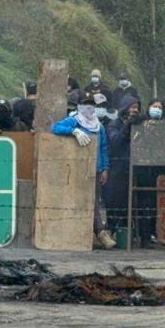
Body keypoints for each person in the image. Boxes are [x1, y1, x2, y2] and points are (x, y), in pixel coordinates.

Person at [51, 92, 114, 250]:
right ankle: (101, 233)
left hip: (97, 169)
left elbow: (104, 148)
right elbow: (55, 128)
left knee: (94, 201)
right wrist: (73, 131)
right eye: (85, 104)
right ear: (79, 106)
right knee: (85, 202)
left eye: (91, 104)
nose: (89, 107)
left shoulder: (98, 126)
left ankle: (92, 234)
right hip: (79, 169)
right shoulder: (74, 120)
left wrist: (105, 168)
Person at [105, 95, 141, 233]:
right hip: (117, 169)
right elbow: (115, 142)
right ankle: (113, 230)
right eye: (132, 107)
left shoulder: (139, 124)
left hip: (134, 168)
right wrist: (127, 127)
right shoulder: (114, 124)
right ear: (125, 108)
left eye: (137, 108)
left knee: (130, 204)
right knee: (115, 201)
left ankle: (128, 232)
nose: (135, 110)